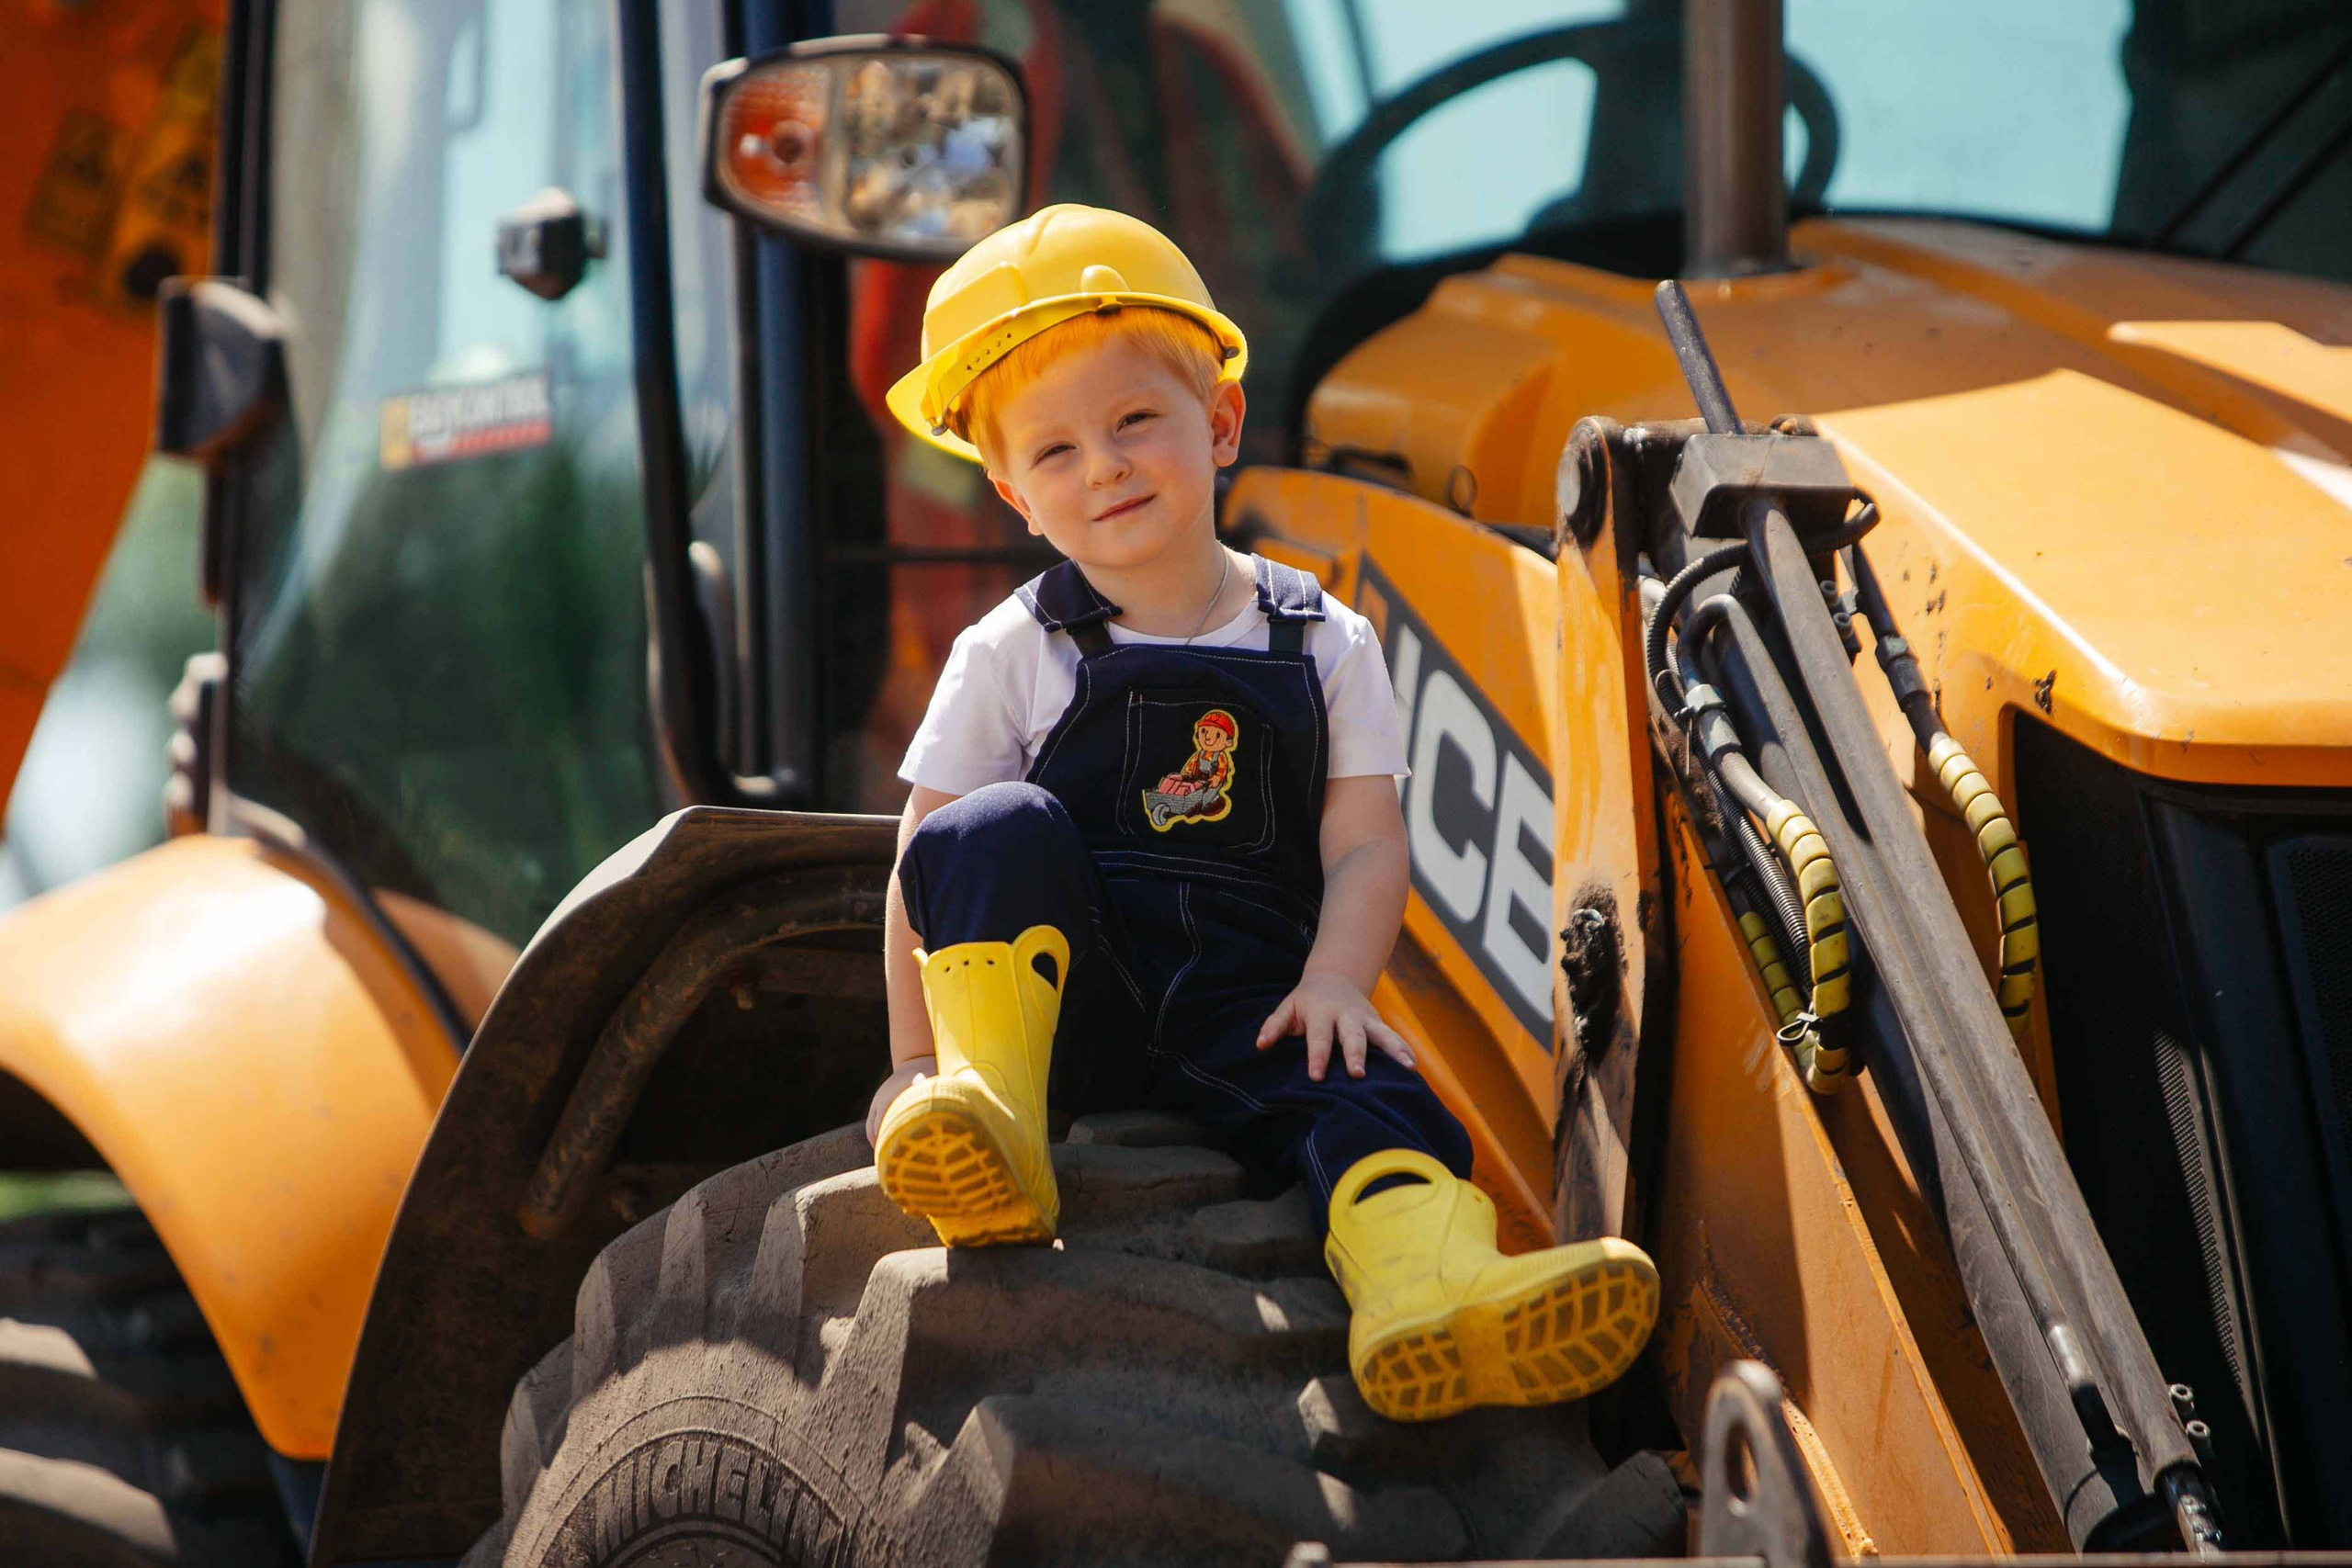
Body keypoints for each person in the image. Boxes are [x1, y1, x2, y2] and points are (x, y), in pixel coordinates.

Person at [864, 204, 1658, 1421]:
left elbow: (1363, 841)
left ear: (1220, 423)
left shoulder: (1327, 638)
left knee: (1381, 1097)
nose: (1107, 466)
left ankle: (1421, 1293)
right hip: (1065, 1004)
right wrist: (914, 1065)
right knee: (985, 831)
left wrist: (1339, 982)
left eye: (1136, 422)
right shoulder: (1012, 648)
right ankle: (989, 1126)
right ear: (1016, 495)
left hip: (1252, 999)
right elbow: (919, 859)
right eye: (1057, 453)